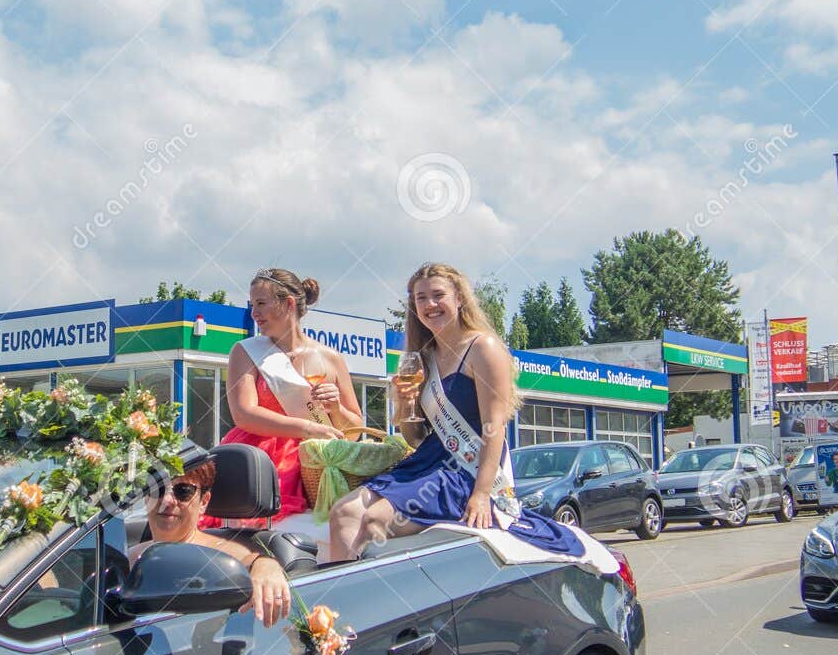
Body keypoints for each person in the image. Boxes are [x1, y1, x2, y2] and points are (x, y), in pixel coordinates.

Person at [324, 262, 584, 563]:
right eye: (420, 298)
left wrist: (482, 494)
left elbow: (494, 426)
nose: (429, 305)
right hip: (427, 461)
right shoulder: (424, 356)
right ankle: (340, 607)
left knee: (374, 521)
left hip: (466, 469)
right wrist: (406, 405)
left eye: (438, 295)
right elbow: (417, 438)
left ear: (459, 298)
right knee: (343, 513)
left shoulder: (483, 347)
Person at [199, 268, 363, 527]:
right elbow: (244, 414)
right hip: (261, 463)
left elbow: (352, 432)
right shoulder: (246, 351)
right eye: (252, 305)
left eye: (261, 304)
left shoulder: (331, 358)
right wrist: (308, 427)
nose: (254, 313)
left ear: (288, 304)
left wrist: (335, 408)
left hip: (317, 464)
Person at [134, 457, 293, 627]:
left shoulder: (217, 554)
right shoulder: (125, 556)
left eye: (183, 491)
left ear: (203, 502)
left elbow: (247, 561)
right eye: (157, 489)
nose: (166, 501)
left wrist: (266, 566)